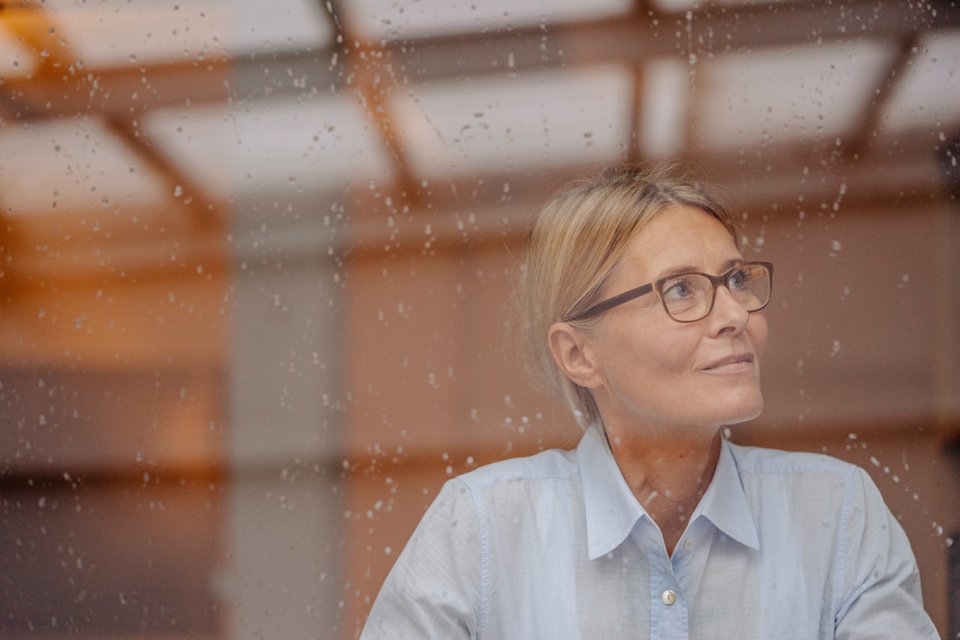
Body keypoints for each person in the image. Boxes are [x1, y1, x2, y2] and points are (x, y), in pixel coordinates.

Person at [360, 165, 939, 639]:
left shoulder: (837, 514)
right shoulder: (480, 528)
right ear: (579, 354)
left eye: (736, 280)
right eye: (681, 289)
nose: (736, 316)